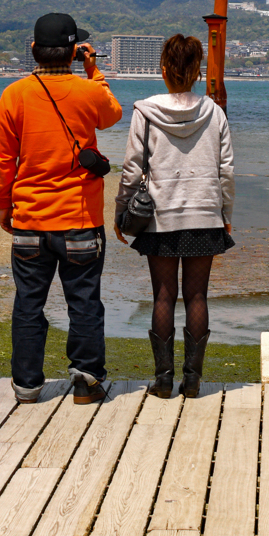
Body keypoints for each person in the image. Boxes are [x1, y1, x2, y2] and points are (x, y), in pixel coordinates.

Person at [0, 13, 123, 405]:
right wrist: (93, 69)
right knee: (83, 301)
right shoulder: (87, 91)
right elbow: (112, 113)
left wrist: (4, 203)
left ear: (33, 49)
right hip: (80, 219)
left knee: (29, 303)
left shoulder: (15, 94)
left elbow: (1, 158)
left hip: (30, 218)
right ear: (72, 51)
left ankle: (27, 385)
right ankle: (85, 380)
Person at [115, 34, 234, 399]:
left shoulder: (145, 111)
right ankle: (193, 381)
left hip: (160, 218)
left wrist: (121, 210)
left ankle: (164, 380)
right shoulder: (214, 111)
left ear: (163, 69)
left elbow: (131, 169)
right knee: (197, 296)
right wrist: (225, 212)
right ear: (197, 71)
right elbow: (226, 170)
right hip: (204, 214)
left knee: (163, 297)